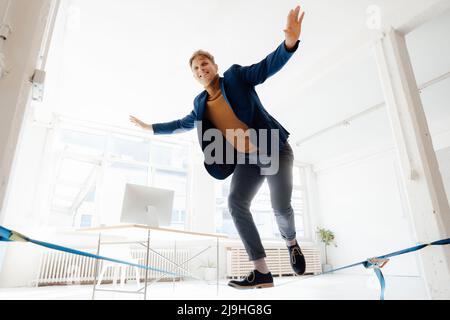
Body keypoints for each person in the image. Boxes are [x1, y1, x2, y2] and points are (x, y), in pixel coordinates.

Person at [130, 5, 306, 289]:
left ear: (215, 66)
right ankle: (261, 272)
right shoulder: (200, 105)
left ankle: (291, 242)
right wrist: (150, 128)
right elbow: (181, 124)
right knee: (236, 203)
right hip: (248, 159)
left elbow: (265, 67)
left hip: (274, 148)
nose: (201, 69)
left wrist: (289, 43)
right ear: (194, 75)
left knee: (280, 206)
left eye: (205, 63)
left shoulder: (235, 78)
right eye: (196, 68)